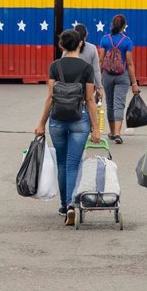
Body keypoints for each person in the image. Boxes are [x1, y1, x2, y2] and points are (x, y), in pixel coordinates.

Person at [35, 29, 100, 226]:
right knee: (73, 163)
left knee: (61, 164)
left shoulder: (55, 66)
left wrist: (41, 124)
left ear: (61, 46)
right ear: (80, 44)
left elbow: (50, 97)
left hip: (56, 119)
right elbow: (89, 100)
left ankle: (64, 205)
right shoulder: (87, 68)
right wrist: (96, 128)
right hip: (79, 119)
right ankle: (72, 204)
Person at [98, 14, 140, 144]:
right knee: (119, 104)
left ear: (112, 25)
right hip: (122, 76)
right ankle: (117, 133)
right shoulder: (127, 41)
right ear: (123, 26)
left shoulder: (105, 39)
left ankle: (112, 132)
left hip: (107, 76)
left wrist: (97, 81)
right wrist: (134, 83)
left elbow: (100, 60)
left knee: (110, 104)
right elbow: (129, 63)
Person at [74, 24, 102, 92]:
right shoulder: (92, 48)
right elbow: (96, 70)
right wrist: (99, 87)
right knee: (89, 101)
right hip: (88, 84)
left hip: (72, 83)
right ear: (86, 34)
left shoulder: (68, 48)